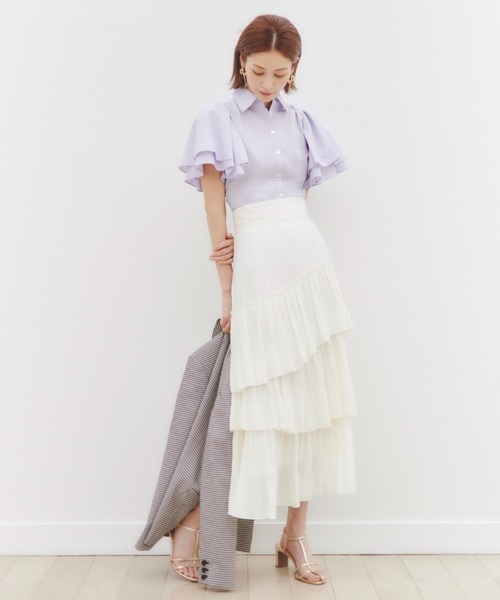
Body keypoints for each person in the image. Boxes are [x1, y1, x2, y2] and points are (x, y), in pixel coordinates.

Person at [173, 13, 357, 586]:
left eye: (280, 73)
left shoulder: (303, 121)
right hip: (253, 263)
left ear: (294, 68)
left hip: (307, 262)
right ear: (242, 62)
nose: (268, 83)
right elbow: (215, 210)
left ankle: (296, 534)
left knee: (311, 403)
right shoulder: (217, 118)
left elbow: (300, 198)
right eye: (258, 72)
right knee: (246, 410)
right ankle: (196, 527)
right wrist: (227, 289)